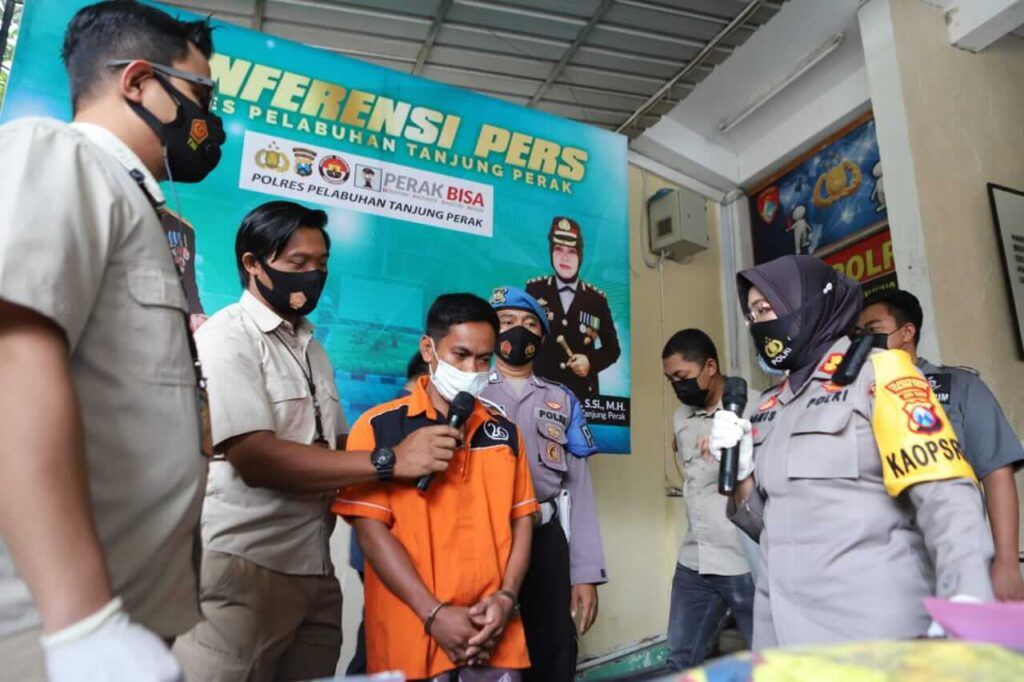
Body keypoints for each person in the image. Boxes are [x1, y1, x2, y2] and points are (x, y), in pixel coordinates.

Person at [0, 3, 226, 680]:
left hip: (123, 620)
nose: (208, 121)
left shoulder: (138, 208)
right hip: (51, 628)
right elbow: (12, 356)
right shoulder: (57, 153)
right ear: (137, 82)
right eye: (200, 96)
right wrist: (82, 623)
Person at [172, 202, 459, 681]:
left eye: (321, 264)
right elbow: (254, 457)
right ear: (252, 264)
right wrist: (389, 460)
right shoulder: (228, 337)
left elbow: (334, 443)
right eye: (297, 264)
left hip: (315, 569)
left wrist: (416, 438)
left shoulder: (312, 348)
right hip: (246, 567)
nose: (312, 275)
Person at [709, 255, 994, 648]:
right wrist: (741, 474)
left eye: (765, 309)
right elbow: (773, 528)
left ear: (807, 305)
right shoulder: (768, 406)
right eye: (752, 315)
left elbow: (945, 496)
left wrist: (966, 598)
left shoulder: (881, 374)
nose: (758, 324)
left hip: (871, 630)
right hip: (784, 635)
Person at [334, 293, 538, 681]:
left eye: (483, 359)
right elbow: (371, 532)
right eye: (460, 355)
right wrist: (434, 613)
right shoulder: (379, 428)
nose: (472, 369)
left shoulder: (504, 431)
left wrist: (507, 597)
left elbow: (522, 520)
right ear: (429, 348)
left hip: (491, 634)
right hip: (412, 634)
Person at [858, 288, 1024, 601]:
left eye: (873, 331)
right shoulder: (854, 395)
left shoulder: (959, 386)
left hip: (952, 553)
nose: (863, 342)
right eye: (858, 334)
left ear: (907, 332)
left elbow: (996, 472)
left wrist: (1006, 561)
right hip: (877, 562)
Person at [481, 286, 606, 681]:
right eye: (507, 322)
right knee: (484, 651)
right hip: (485, 539)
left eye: (530, 324)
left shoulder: (562, 399)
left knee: (552, 650)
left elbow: (580, 491)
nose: (519, 331)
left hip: (546, 536)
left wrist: (585, 573)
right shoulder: (470, 392)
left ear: (542, 338)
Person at [661, 329, 757, 669]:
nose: (677, 385)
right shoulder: (681, 416)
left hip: (742, 559)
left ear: (710, 367)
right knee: (680, 660)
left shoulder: (757, 408)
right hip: (695, 559)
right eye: (671, 379)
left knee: (769, 662)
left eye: (682, 376)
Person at [346, 351, 432, 676]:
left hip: (371, 555)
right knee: (386, 641)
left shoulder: (374, 416)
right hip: (395, 553)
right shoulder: (394, 421)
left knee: (376, 634)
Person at [526, 217, 620, 400]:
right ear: (551, 253)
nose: (564, 257)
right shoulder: (535, 290)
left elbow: (612, 349)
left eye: (572, 251)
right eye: (558, 249)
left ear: (581, 256)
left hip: (581, 394)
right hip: (538, 393)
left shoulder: (596, 300)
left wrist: (590, 361)